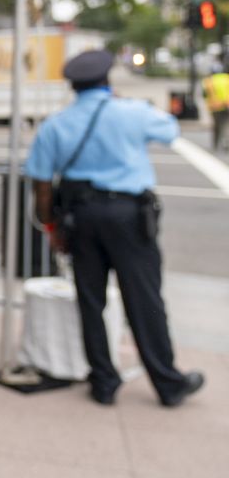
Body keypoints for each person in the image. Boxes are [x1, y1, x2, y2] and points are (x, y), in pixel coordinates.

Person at [25, 49, 204, 407]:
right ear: (106, 80)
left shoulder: (56, 124)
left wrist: (51, 225)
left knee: (91, 301)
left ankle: (103, 382)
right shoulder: (131, 111)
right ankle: (167, 383)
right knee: (144, 299)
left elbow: (41, 184)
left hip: (80, 217)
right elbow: (171, 130)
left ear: (73, 85)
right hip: (128, 216)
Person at [201, 64, 229, 152]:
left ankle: (216, 144)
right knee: (226, 124)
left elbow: (205, 94)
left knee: (216, 125)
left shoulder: (208, 81)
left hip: (215, 106)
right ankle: (226, 142)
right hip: (227, 105)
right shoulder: (227, 78)